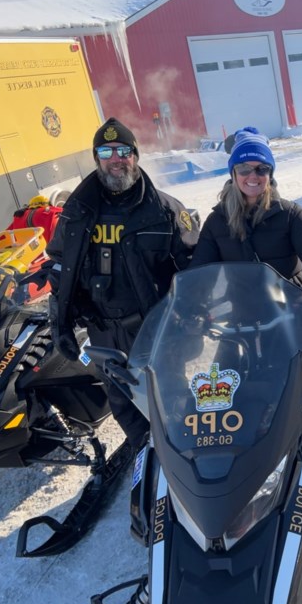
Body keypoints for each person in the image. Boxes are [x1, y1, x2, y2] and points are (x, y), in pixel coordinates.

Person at [46, 117, 199, 449]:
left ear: (135, 155)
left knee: (173, 400)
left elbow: (194, 269)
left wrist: (194, 320)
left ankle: (185, 459)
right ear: (96, 158)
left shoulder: (166, 211)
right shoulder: (77, 212)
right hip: (103, 332)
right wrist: (59, 321)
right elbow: (59, 266)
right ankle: (148, 453)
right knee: (123, 404)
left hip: (154, 329)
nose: (116, 158)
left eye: (123, 150)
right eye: (106, 151)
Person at [189, 126, 302, 326]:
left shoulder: (290, 214)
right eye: (244, 168)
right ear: (233, 173)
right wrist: (190, 305)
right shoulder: (217, 222)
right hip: (244, 318)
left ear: (270, 174)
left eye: (262, 168)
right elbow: (199, 272)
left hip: (295, 312)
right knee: (224, 358)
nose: (253, 175)